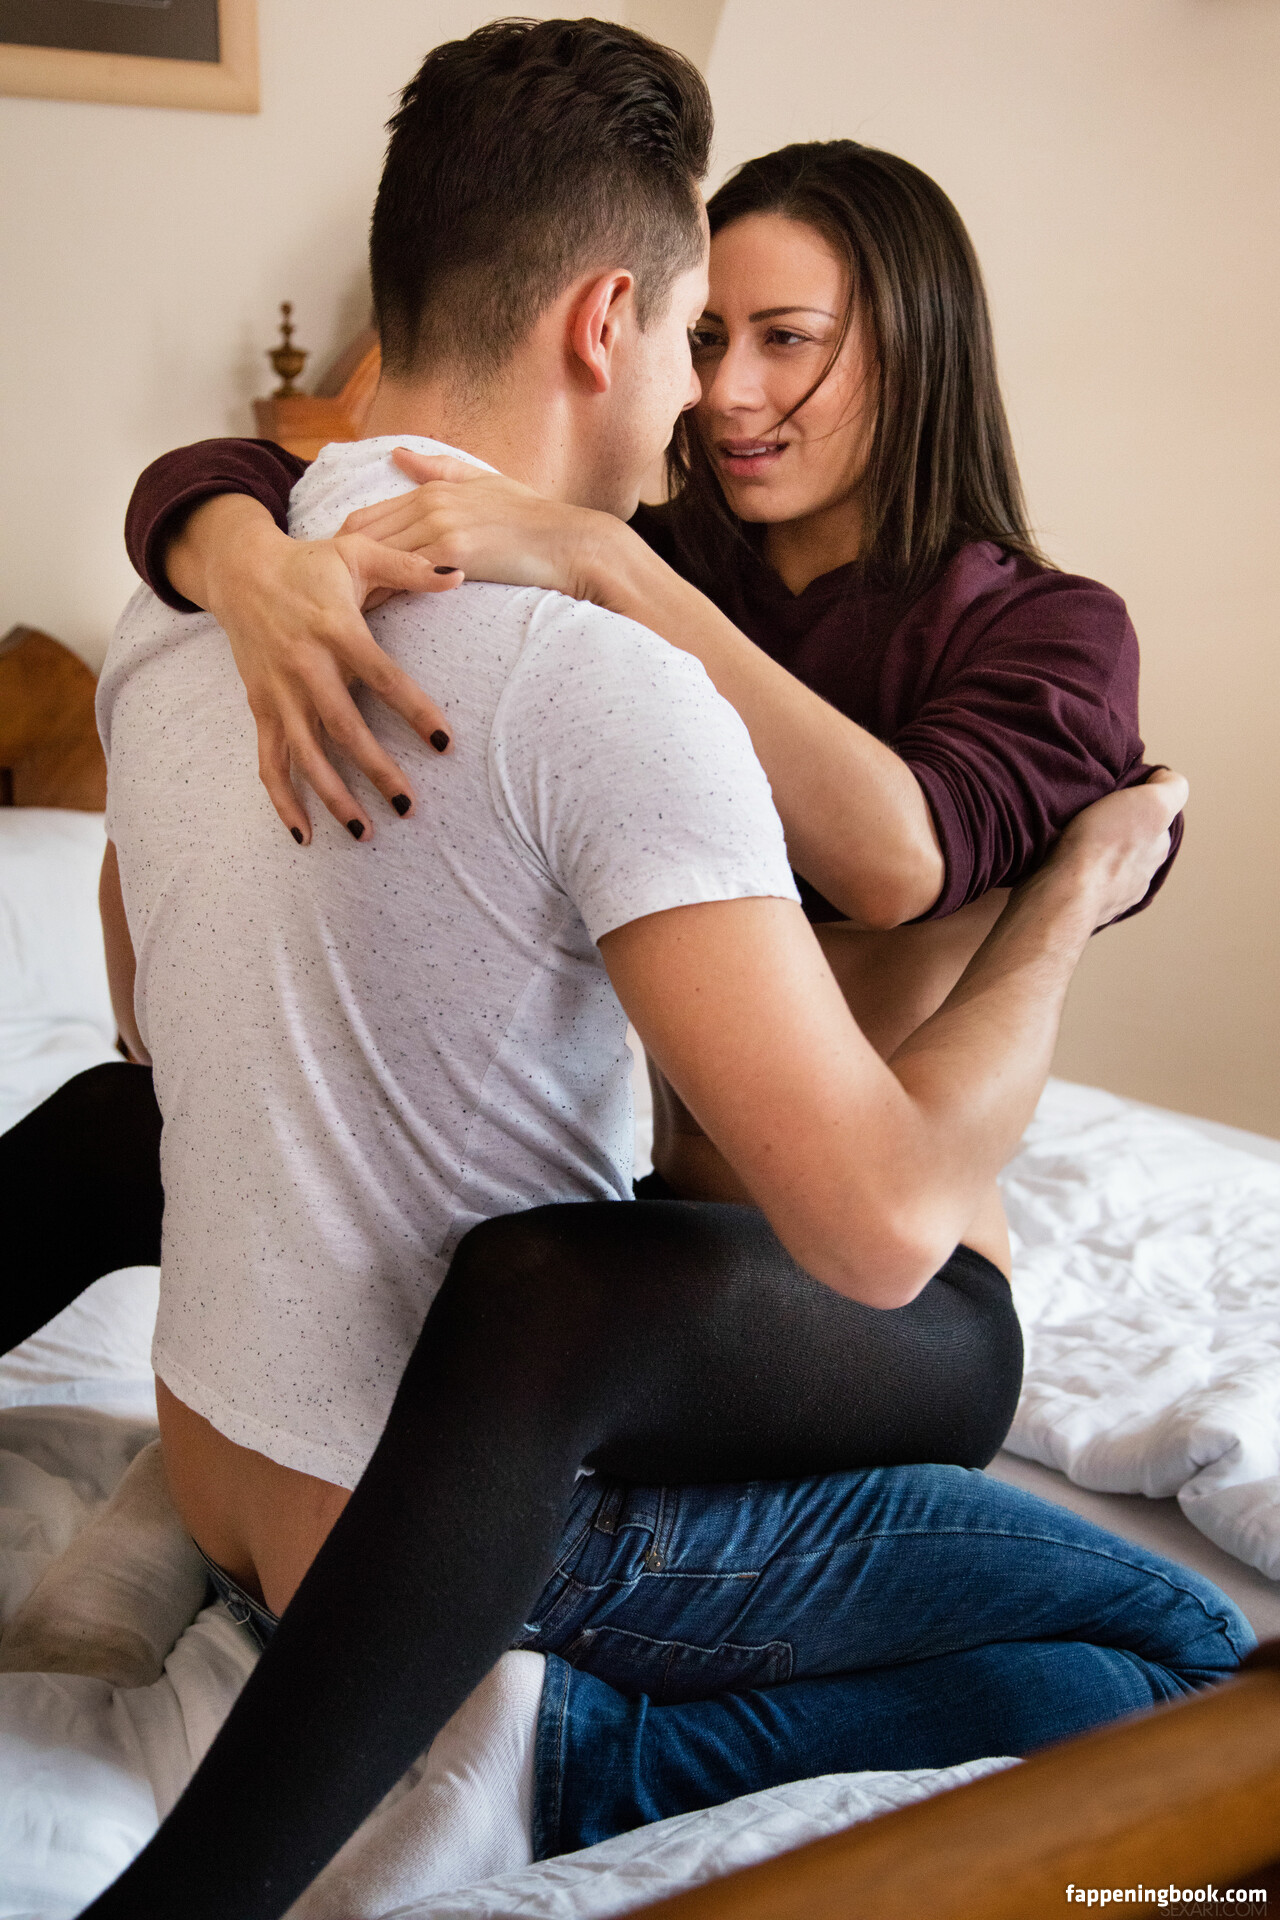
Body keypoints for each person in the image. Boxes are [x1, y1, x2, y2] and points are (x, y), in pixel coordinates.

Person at [0, 26, 1243, 1920]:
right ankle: (483, 1739)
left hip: (842, 1262)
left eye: (785, 340)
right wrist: (239, 553)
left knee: (545, 1284)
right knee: (327, 1197)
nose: (719, 391)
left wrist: (597, 565)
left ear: (914, 344)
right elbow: (240, 463)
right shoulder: (598, 586)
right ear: (612, 320)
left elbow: (902, 860)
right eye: (698, 330)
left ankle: (259, 1553)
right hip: (661, 1240)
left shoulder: (972, 628)